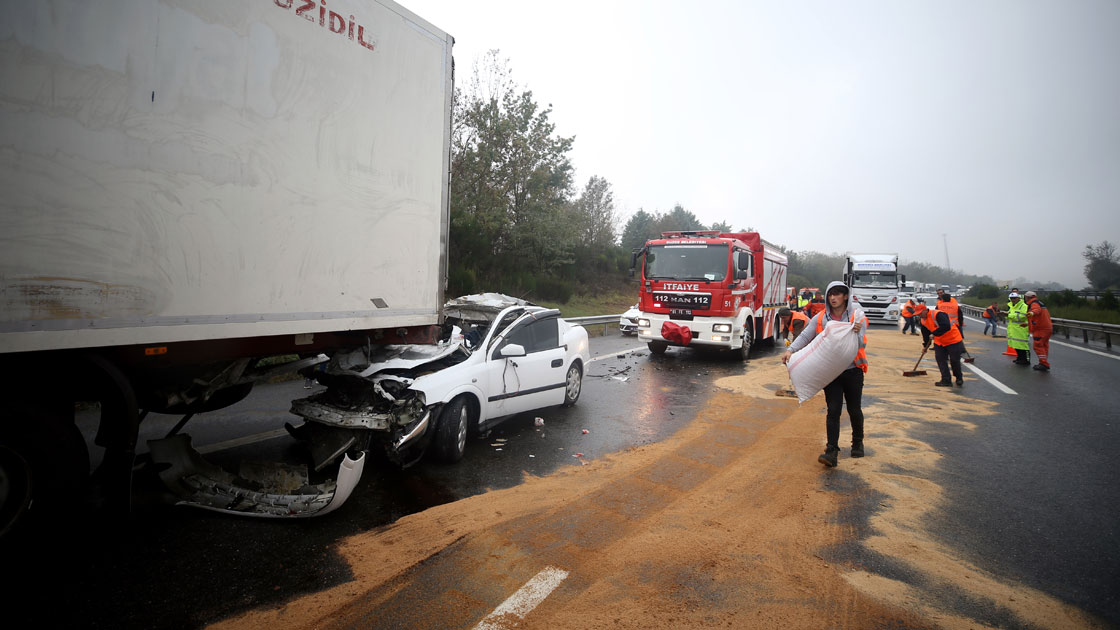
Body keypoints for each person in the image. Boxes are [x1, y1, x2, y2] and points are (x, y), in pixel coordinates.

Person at [782, 281, 868, 468]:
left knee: (854, 409)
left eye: (837, 294)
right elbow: (806, 336)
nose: (833, 298)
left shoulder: (857, 316)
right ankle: (831, 451)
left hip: (853, 371)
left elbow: (862, 342)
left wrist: (857, 332)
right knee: (833, 410)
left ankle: (858, 443)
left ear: (845, 296)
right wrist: (791, 350)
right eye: (830, 294)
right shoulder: (821, 317)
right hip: (831, 373)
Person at [921, 293, 966, 387]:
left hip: (953, 340)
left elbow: (946, 326)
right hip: (940, 342)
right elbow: (925, 334)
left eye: (920, 313)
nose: (919, 315)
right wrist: (925, 346)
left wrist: (934, 333)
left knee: (954, 360)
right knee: (941, 360)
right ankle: (946, 380)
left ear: (925, 310)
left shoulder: (938, 314)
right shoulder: (923, 320)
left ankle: (959, 378)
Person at [1024, 291, 1052, 371]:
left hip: (1040, 329)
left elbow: (1036, 310)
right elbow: (1039, 318)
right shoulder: (1040, 303)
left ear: (1027, 297)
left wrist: (1032, 313)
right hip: (1047, 327)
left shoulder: (1034, 303)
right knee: (1044, 346)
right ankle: (1044, 362)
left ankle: (1043, 363)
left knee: (1038, 346)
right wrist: (1028, 324)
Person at [1005, 292, 1031, 365]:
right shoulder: (1012, 306)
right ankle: (1020, 358)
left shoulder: (1023, 306)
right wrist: (1005, 315)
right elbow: (1010, 315)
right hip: (1013, 329)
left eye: (1014, 298)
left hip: (1022, 328)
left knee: (1023, 345)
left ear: (1018, 298)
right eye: (1011, 298)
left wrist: (1009, 315)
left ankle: (1026, 360)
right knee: (1016, 345)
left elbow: (1022, 316)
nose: (1013, 300)